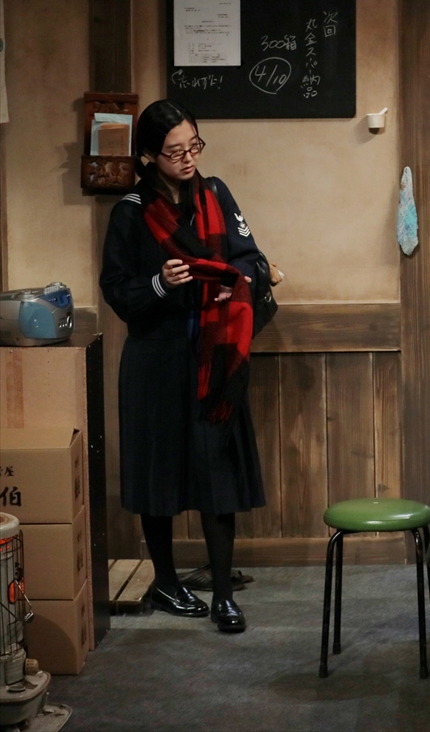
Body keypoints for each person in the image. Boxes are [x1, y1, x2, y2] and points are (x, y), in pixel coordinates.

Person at [100, 100, 265, 634]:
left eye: (194, 145)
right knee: (159, 473)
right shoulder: (130, 211)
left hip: (214, 355)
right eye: (175, 151)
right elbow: (116, 289)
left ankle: (223, 595)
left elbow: (249, 255)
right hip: (156, 358)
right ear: (150, 156)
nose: (188, 158)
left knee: (217, 474)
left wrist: (236, 279)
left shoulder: (215, 194)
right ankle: (167, 581)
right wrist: (160, 283)